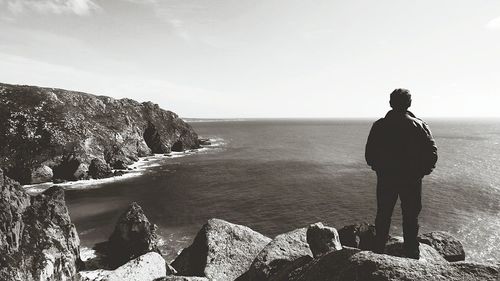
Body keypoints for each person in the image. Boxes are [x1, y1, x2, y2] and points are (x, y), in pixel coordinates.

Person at [365, 88, 438, 259]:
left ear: (390, 103)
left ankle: (378, 251)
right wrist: (420, 173)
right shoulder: (420, 125)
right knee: (411, 217)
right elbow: (432, 153)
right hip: (412, 180)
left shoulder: (380, 126)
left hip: (386, 179)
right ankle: (411, 252)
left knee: (383, 215)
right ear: (409, 103)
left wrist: (381, 169)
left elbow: (369, 155)